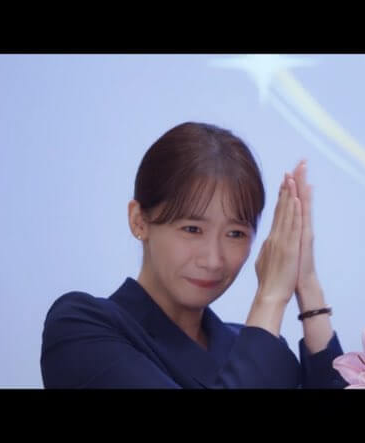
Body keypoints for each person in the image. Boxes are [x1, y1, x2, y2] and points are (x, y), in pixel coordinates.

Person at [40, 122, 346, 388]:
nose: (213, 260)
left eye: (235, 234)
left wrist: (307, 285)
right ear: (139, 221)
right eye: (192, 229)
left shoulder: (259, 345)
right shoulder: (81, 328)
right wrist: (270, 298)